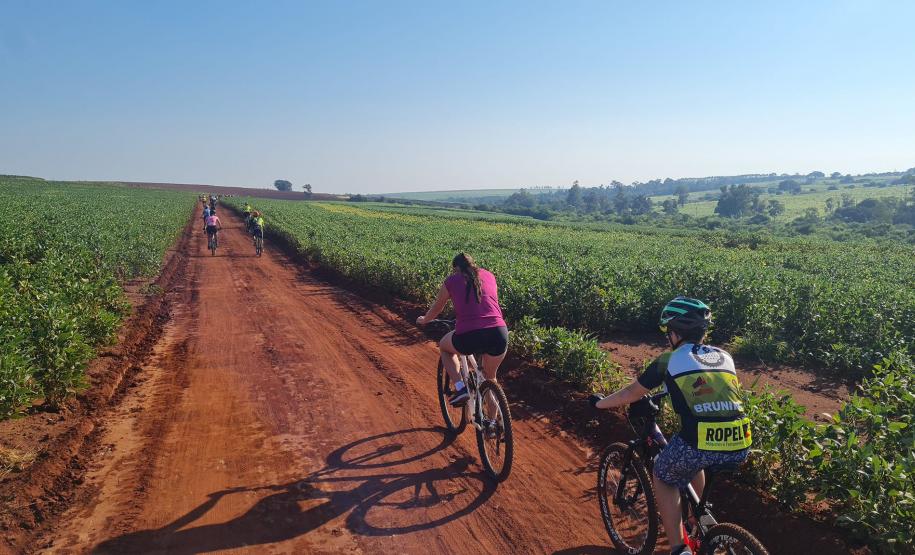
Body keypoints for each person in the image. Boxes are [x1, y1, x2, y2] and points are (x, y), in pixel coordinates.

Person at [589, 297, 752, 555]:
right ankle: (697, 520)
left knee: (664, 474)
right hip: (741, 440)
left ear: (675, 333)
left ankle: (679, 548)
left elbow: (631, 393)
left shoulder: (669, 360)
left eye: (668, 331)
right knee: (692, 456)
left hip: (699, 441)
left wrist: (600, 404)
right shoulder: (725, 356)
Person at [416, 253, 508, 406]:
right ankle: (493, 425)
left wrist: (425, 320)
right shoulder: (489, 276)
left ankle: (460, 388)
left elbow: (438, 307)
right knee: (491, 380)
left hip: (470, 334)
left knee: (445, 347)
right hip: (498, 332)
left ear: (456, 268)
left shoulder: (452, 280)